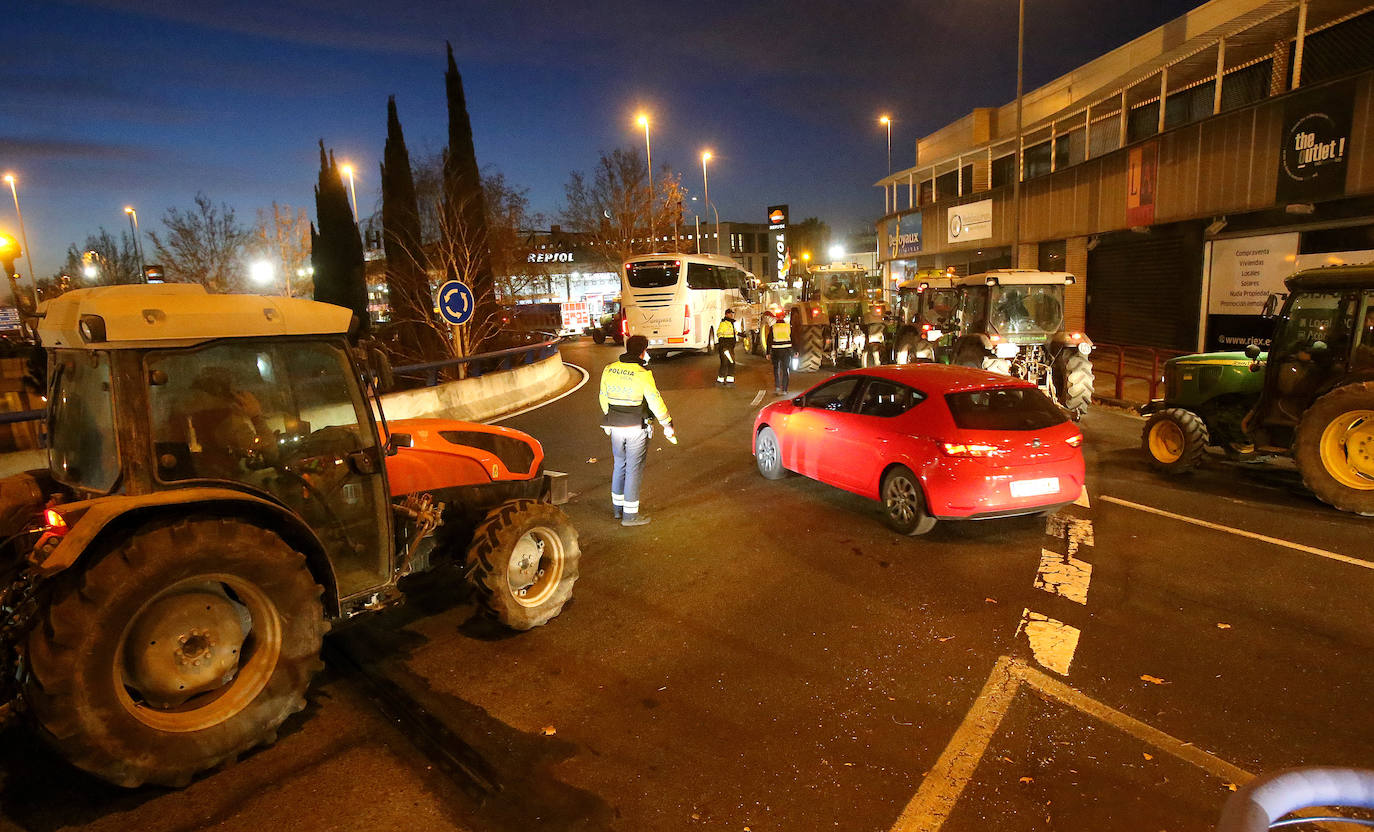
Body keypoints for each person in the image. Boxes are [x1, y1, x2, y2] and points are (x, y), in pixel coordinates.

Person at [599, 334, 675, 527]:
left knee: (619, 465)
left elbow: (602, 397)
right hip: (635, 428)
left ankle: (617, 509)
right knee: (633, 468)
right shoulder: (643, 373)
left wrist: (611, 418)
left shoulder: (609, 369)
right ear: (643, 351)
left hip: (615, 426)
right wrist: (667, 424)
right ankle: (630, 516)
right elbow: (655, 401)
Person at [767, 315, 792, 396]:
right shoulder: (788, 327)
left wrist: (768, 352)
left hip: (776, 350)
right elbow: (794, 338)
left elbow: (769, 340)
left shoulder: (773, 327)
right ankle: (784, 389)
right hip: (786, 351)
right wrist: (795, 351)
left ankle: (777, 387)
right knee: (785, 369)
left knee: (776, 369)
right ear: (783, 317)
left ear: (776, 318)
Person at [715, 309, 738, 385]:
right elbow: (719, 333)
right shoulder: (724, 324)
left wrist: (742, 335)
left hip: (729, 347)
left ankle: (725, 379)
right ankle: (724, 379)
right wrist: (723, 344)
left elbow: (734, 332)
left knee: (728, 362)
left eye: (732, 314)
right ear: (726, 314)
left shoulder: (731, 323)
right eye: (730, 314)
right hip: (726, 347)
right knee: (728, 362)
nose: (732, 315)